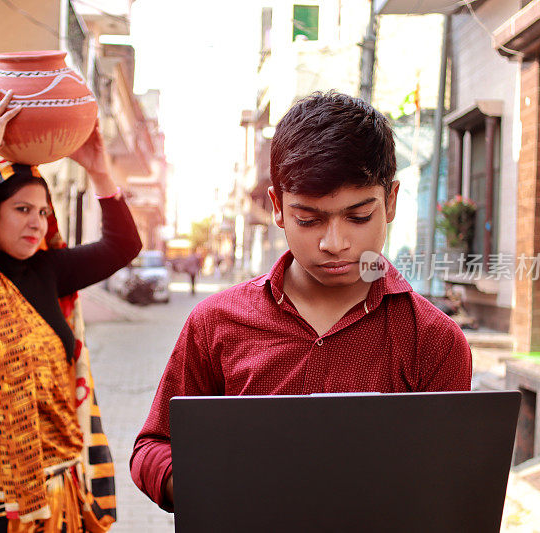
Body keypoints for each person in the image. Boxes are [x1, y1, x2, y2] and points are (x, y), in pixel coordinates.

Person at [130, 91, 472, 512]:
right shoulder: (218, 322)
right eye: (309, 220)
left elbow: (450, 484)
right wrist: (195, 482)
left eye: (358, 216)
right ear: (277, 207)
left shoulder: (433, 340)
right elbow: (154, 443)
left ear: (391, 201)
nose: (335, 243)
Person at [0, 88, 142, 532]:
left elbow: (123, 246)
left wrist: (99, 171)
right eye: (21, 209)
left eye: (42, 210)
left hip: (57, 483)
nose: (36, 221)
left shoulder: (48, 270)